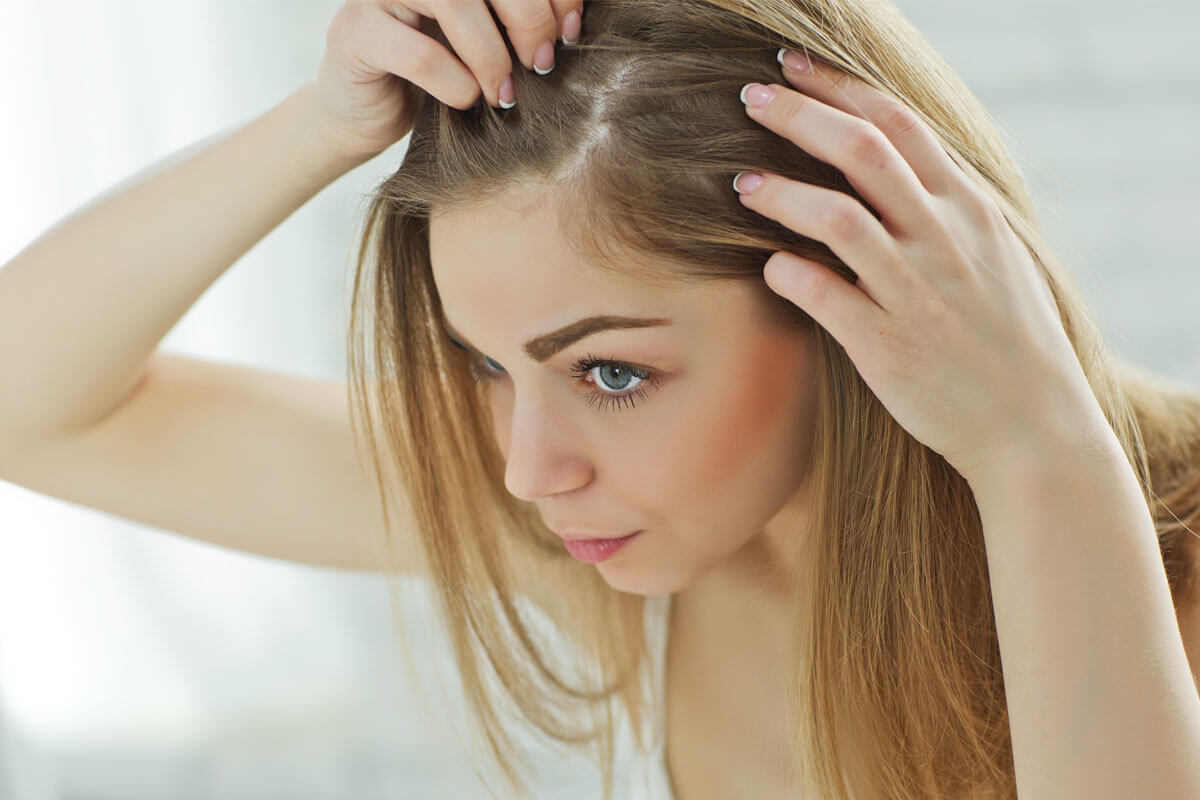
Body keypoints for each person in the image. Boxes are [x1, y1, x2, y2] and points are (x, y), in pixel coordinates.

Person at [1, 1, 1198, 798]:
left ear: (854, 291)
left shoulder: (1164, 543)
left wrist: (1040, 450)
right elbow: (29, 407)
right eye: (487, 361)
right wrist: (323, 124)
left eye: (610, 372)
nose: (527, 468)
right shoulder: (611, 535)